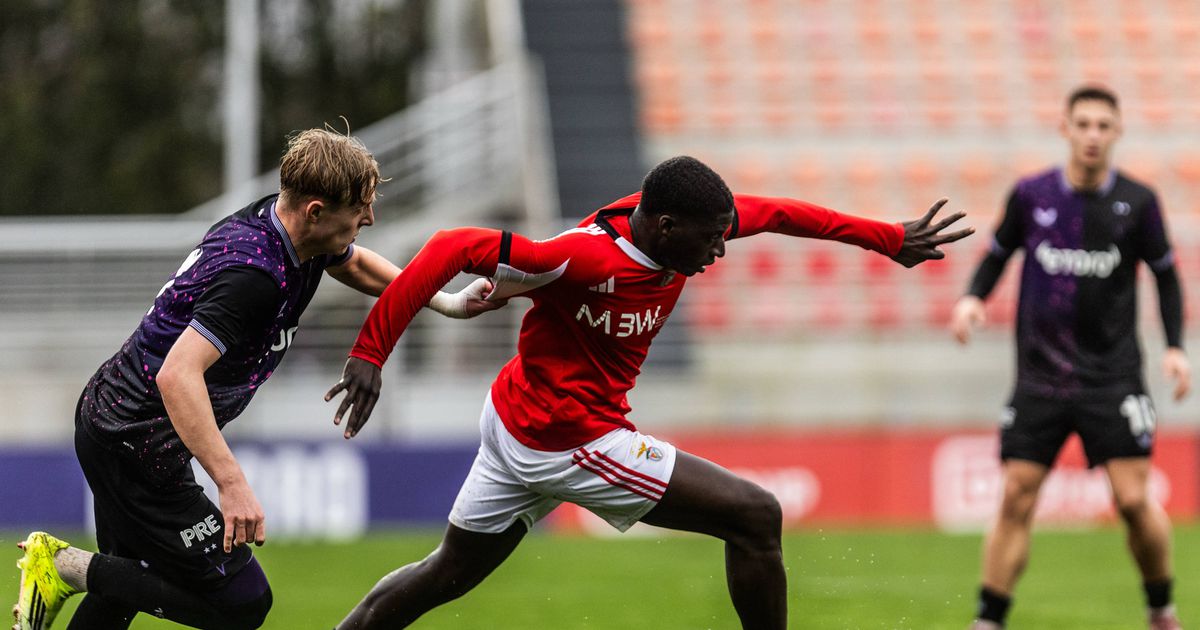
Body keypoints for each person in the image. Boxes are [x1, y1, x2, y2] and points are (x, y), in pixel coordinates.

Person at [324, 155, 973, 628]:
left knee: (446, 574)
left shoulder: (677, 223)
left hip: (519, 417)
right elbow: (449, 245)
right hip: (568, 438)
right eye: (712, 238)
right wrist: (370, 352)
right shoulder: (581, 258)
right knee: (756, 516)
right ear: (664, 226)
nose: (721, 248)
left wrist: (887, 238)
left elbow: (776, 213)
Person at [11, 128, 501, 630]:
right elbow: (177, 376)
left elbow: (354, 265)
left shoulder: (292, 231)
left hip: (124, 427)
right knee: (242, 602)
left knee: (126, 585)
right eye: (359, 210)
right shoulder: (255, 276)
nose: (369, 219)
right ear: (315, 211)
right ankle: (64, 567)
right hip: (133, 441)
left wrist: (446, 302)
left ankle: (70, 574)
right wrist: (232, 482)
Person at [951, 85, 1190, 630]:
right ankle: (988, 620)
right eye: (1082, 124)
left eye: (1103, 126)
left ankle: (1161, 609)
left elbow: (1167, 276)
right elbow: (996, 253)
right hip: (1040, 378)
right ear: (1065, 128)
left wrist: (1175, 346)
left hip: (1114, 377)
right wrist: (972, 298)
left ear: (1117, 132)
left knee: (1132, 500)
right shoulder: (1032, 195)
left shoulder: (1139, 202)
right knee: (1016, 496)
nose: (1092, 135)